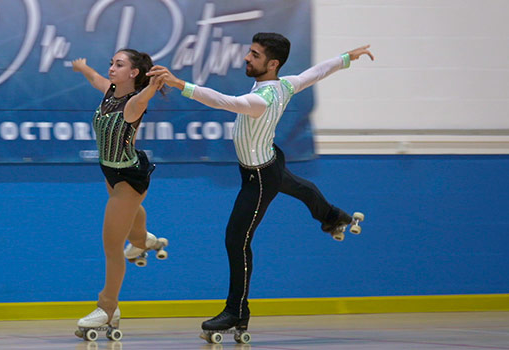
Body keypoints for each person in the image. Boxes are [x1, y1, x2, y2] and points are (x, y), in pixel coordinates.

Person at [147, 33, 374, 333]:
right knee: (298, 187)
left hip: (259, 178)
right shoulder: (285, 85)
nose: (247, 58)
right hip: (270, 159)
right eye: (249, 52)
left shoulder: (261, 99)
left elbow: (224, 101)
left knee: (236, 240)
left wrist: (179, 84)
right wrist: (346, 58)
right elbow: (315, 72)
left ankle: (236, 311)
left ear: (272, 63)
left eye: (254, 54)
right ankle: (333, 216)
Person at [70, 49, 169, 340]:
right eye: (112, 63)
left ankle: (107, 308)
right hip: (110, 173)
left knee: (112, 248)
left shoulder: (134, 102)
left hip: (128, 178)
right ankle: (147, 241)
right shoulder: (110, 91)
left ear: (134, 73)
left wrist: (154, 85)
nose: (112, 68)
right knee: (134, 238)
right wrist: (83, 67)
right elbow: (96, 79)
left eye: (119, 64)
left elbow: (145, 96)